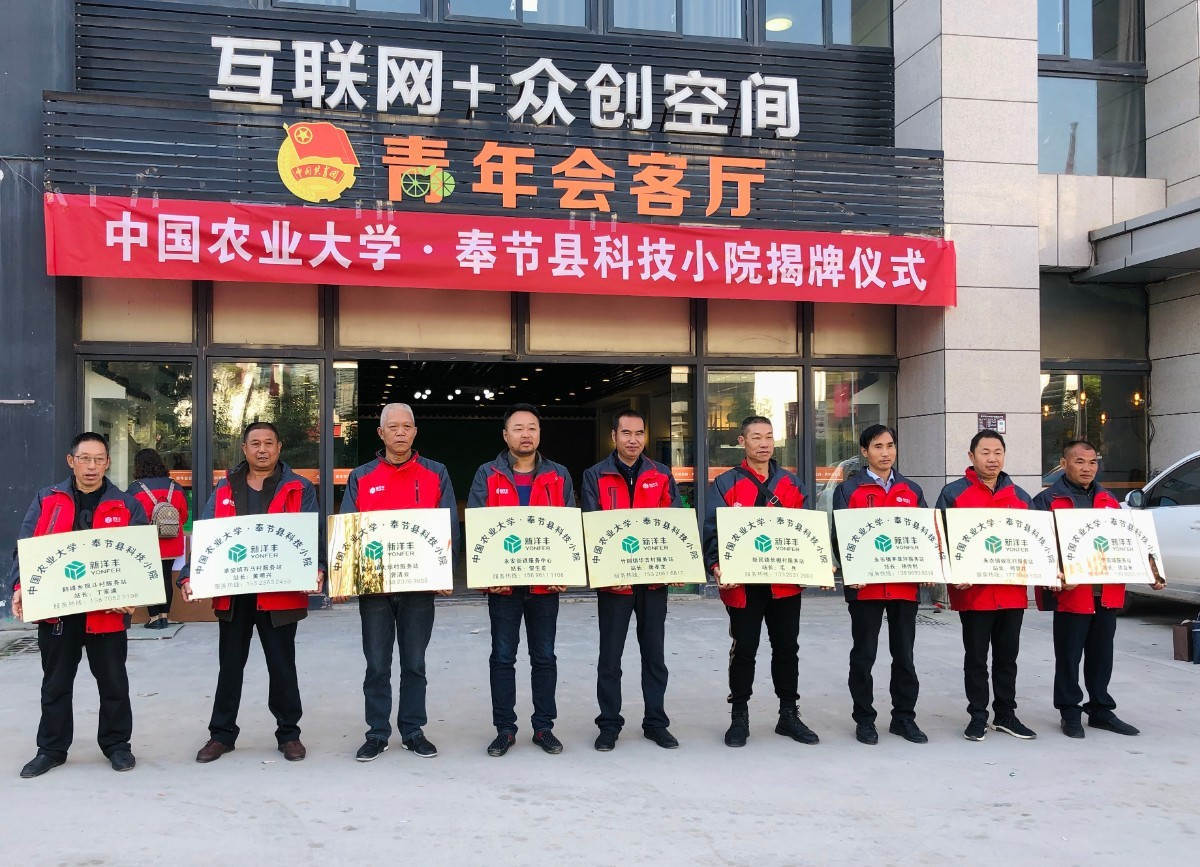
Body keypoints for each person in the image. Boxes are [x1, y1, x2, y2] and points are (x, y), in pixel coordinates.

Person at [179, 421, 323, 764]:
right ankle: (221, 735)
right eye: (255, 443)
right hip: (235, 592)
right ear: (244, 449)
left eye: (268, 443)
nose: (262, 449)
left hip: (280, 593)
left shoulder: (299, 487)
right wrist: (189, 574)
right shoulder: (225, 486)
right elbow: (207, 533)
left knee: (282, 666)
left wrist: (317, 567)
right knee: (230, 666)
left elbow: (312, 532)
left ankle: (289, 734)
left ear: (279, 447)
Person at [9, 432, 149, 777]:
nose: (91, 466)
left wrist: (134, 595)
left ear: (107, 463)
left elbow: (141, 555)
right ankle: (51, 749)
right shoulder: (48, 499)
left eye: (99, 459)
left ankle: (117, 745)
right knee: (56, 683)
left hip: (107, 612)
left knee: (113, 683)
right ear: (71, 461)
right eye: (84, 458)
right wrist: (20, 587)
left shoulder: (126, 504)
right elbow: (26, 547)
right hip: (58, 611)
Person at [340, 402, 458, 762]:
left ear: (415, 431)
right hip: (375, 585)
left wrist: (446, 571)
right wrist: (344, 579)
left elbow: (448, 524)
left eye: (407, 426)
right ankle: (377, 732)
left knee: (414, 662)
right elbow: (348, 528)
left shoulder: (436, 472)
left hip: (419, 585)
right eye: (393, 427)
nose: (401, 432)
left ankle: (412, 730)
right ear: (381, 433)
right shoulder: (362, 476)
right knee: (377, 664)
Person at [1032, 439, 1164, 739]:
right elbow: (1037, 547)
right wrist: (1054, 573)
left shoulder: (1108, 500)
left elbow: (1129, 543)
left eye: (1092, 462)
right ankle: (1069, 711)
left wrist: (1151, 571)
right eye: (1079, 461)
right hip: (1071, 593)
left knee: (1102, 655)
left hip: (1106, 591)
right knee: (1069, 656)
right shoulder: (1047, 500)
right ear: (1063, 464)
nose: (1087, 468)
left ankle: (1101, 709)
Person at [702, 415, 819, 749]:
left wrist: (818, 564)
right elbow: (712, 529)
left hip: (784, 583)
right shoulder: (725, 484)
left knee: (787, 648)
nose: (764, 443)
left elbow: (806, 532)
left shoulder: (791, 484)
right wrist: (716, 565)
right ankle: (739, 715)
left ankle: (788, 714)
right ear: (742, 442)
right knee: (744, 649)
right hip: (743, 585)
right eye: (756, 437)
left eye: (769, 436)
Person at [467, 403, 575, 758]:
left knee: (544, 657)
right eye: (518, 428)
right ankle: (505, 729)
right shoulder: (487, 474)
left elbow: (569, 528)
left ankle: (544, 727)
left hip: (545, 585)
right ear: (505, 435)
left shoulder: (559, 474)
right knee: (502, 657)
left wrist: (566, 571)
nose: (525, 434)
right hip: (504, 586)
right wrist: (486, 577)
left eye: (532, 428)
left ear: (539, 434)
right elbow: (477, 527)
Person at [581, 409, 682, 752]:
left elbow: (674, 522)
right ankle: (609, 724)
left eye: (639, 433)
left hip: (653, 581)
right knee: (610, 657)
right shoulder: (595, 475)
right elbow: (591, 526)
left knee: (654, 655)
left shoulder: (661, 474)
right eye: (626, 433)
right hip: (615, 583)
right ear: (614, 436)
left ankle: (656, 723)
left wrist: (677, 566)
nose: (633, 440)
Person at [936, 430, 1037, 742]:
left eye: (998, 452)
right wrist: (953, 572)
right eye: (985, 452)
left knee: (1007, 658)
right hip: (974, 594)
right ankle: (977, 716)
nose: (992, 459)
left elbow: (1035, 542)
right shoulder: (954, 494)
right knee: (976, 659)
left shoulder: (1021, 497)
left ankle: (1006, 714)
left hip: (1011, 592)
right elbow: (941, 539)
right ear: (971, 456)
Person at [833, 424, 929, 745]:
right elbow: (839, 535)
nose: (885, 453)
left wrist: (927, 565)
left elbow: (923, 534)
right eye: (877, 446)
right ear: (864, 452)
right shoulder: (849, 490)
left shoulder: (911, 490)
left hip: (903, 585)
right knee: (864, 655)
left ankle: (904, 718)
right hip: (865, 588)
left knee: (905, 655)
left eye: (890, 445)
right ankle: (864, 719)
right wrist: (851, 569)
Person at [128, 448, 189, 630]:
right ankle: (164, 616)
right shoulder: (175, 486)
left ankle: (154, 618)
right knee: (166, 577)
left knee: (151, 578)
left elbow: (130, 517)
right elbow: (183, 516)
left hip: (147, 541)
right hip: (172, 540)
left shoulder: (135, 489)